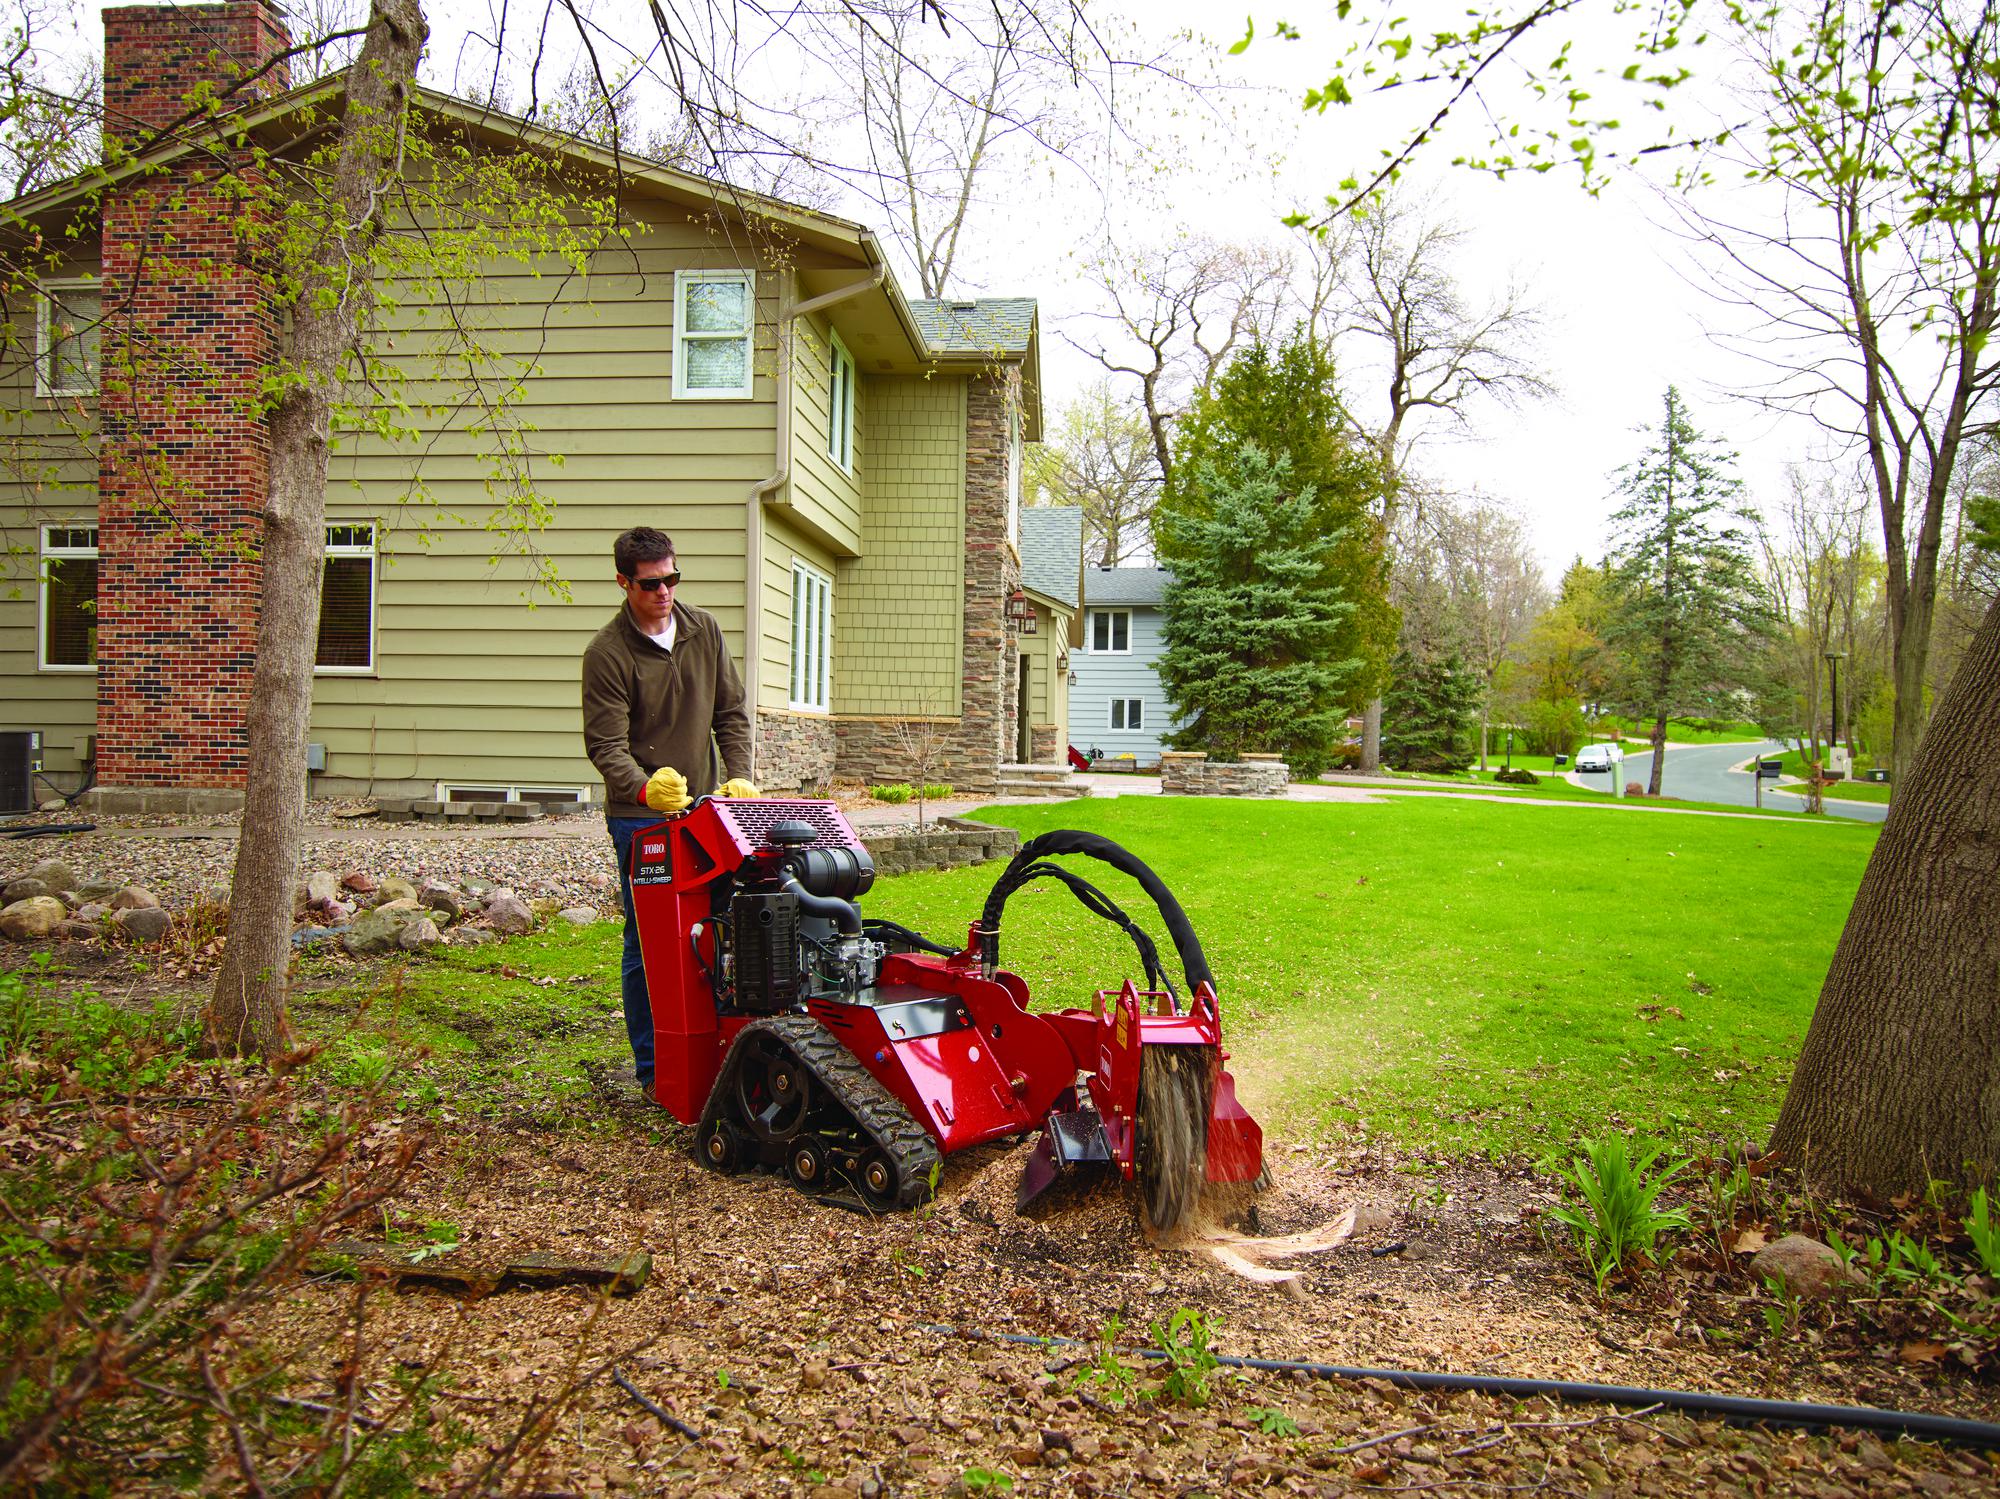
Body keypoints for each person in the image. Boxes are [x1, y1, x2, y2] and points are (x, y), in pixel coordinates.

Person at [582, 526, 756, 1097]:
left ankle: (724, 1054)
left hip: (708, 806)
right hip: (641, 818)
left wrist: (740, 775)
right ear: (624, 583)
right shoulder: (607, 653)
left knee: (726, 928)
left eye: (672, 578)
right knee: (649, 941)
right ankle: (657, 1070)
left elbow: (731, 712)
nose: (665, 592)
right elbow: (605, 746)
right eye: (652, 583)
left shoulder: (703, 629)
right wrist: (643, 787)